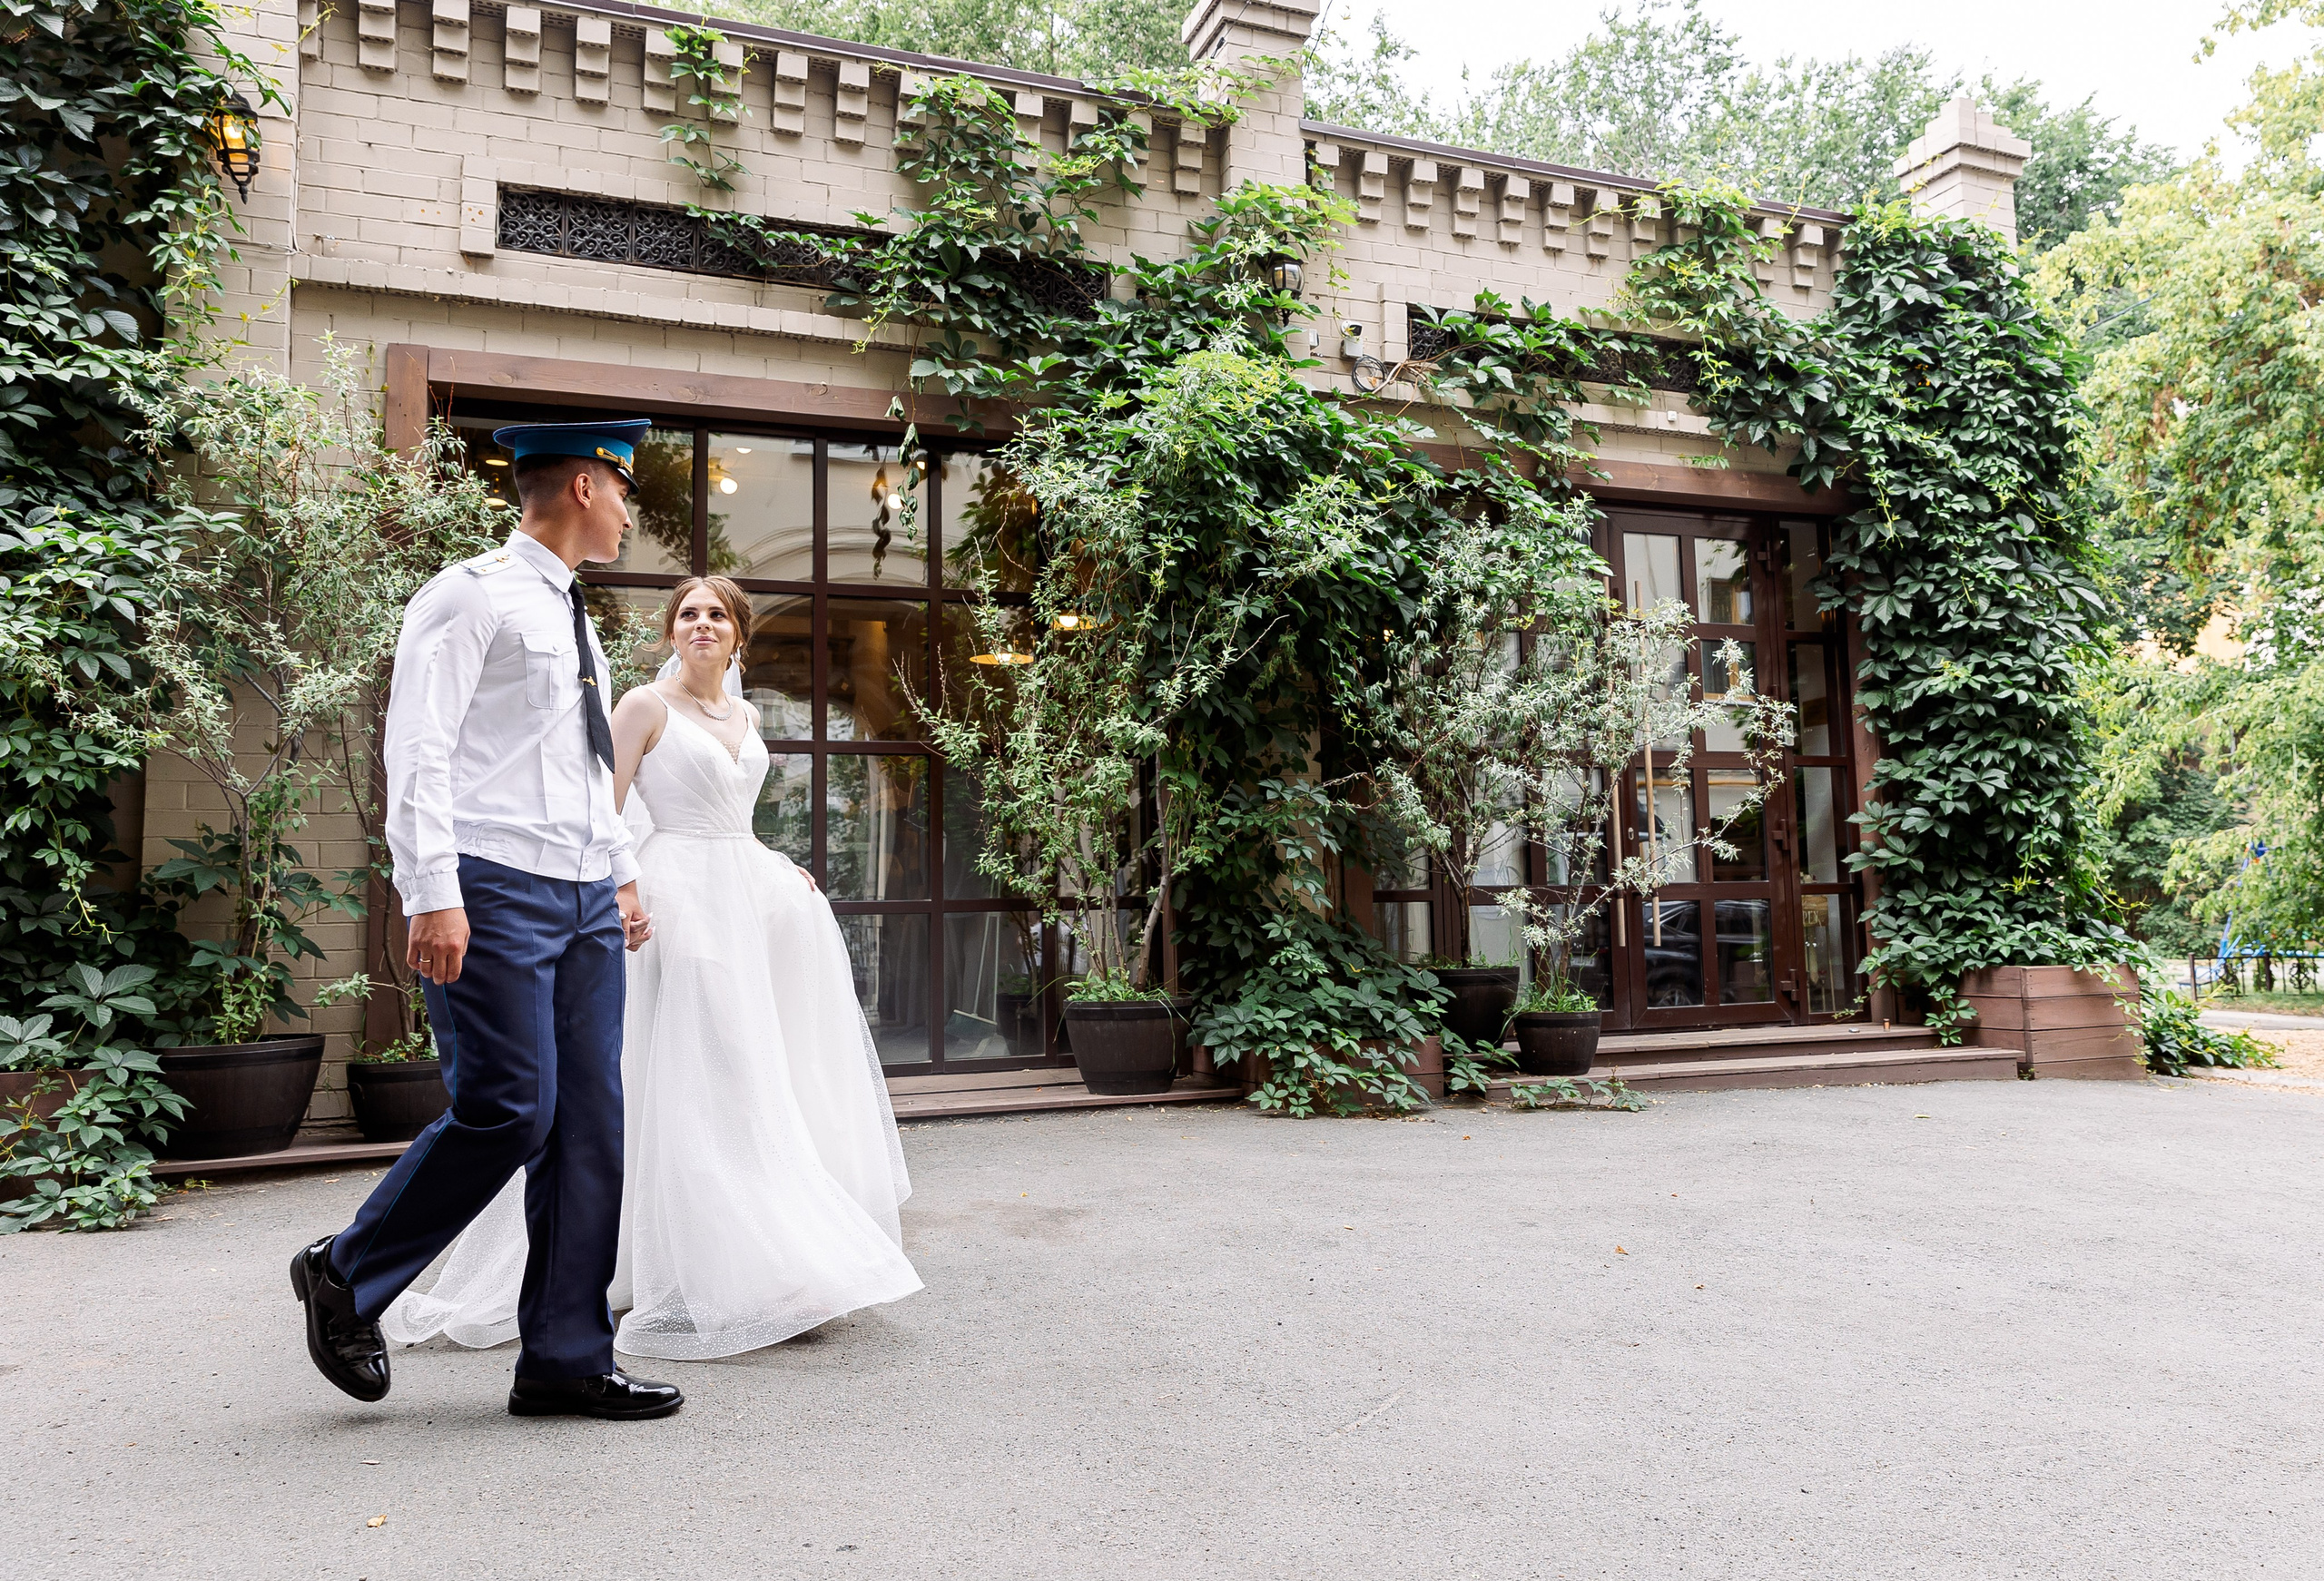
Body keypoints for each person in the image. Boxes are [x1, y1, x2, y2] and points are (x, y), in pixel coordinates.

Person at [379, 575, 921, 1360]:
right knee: (709, 1069)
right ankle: (702, 1270)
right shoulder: (643, 705)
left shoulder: (745, 713)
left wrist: (775, 861)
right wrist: (626, 889)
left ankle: (755, 1255)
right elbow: (604, 802)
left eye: (717, 615)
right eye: (688, 615)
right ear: (672, 633)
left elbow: (733, 811)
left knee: (751, 1073)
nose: (702, 624)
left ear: (739, 636)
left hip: (743, 894)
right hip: (675, 898)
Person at [290, 418, 684, 1421]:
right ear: (589, 485)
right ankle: (347, 1270)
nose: (631, 511)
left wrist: (623, 870)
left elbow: (586, 761)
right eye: (626, 490)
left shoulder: (574, 613)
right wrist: (432, 889)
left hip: (585, 890)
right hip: (494, 884)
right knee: (512, 1106)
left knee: (590, 1126)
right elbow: (417, 750)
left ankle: (564, 1357)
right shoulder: (467, 595)